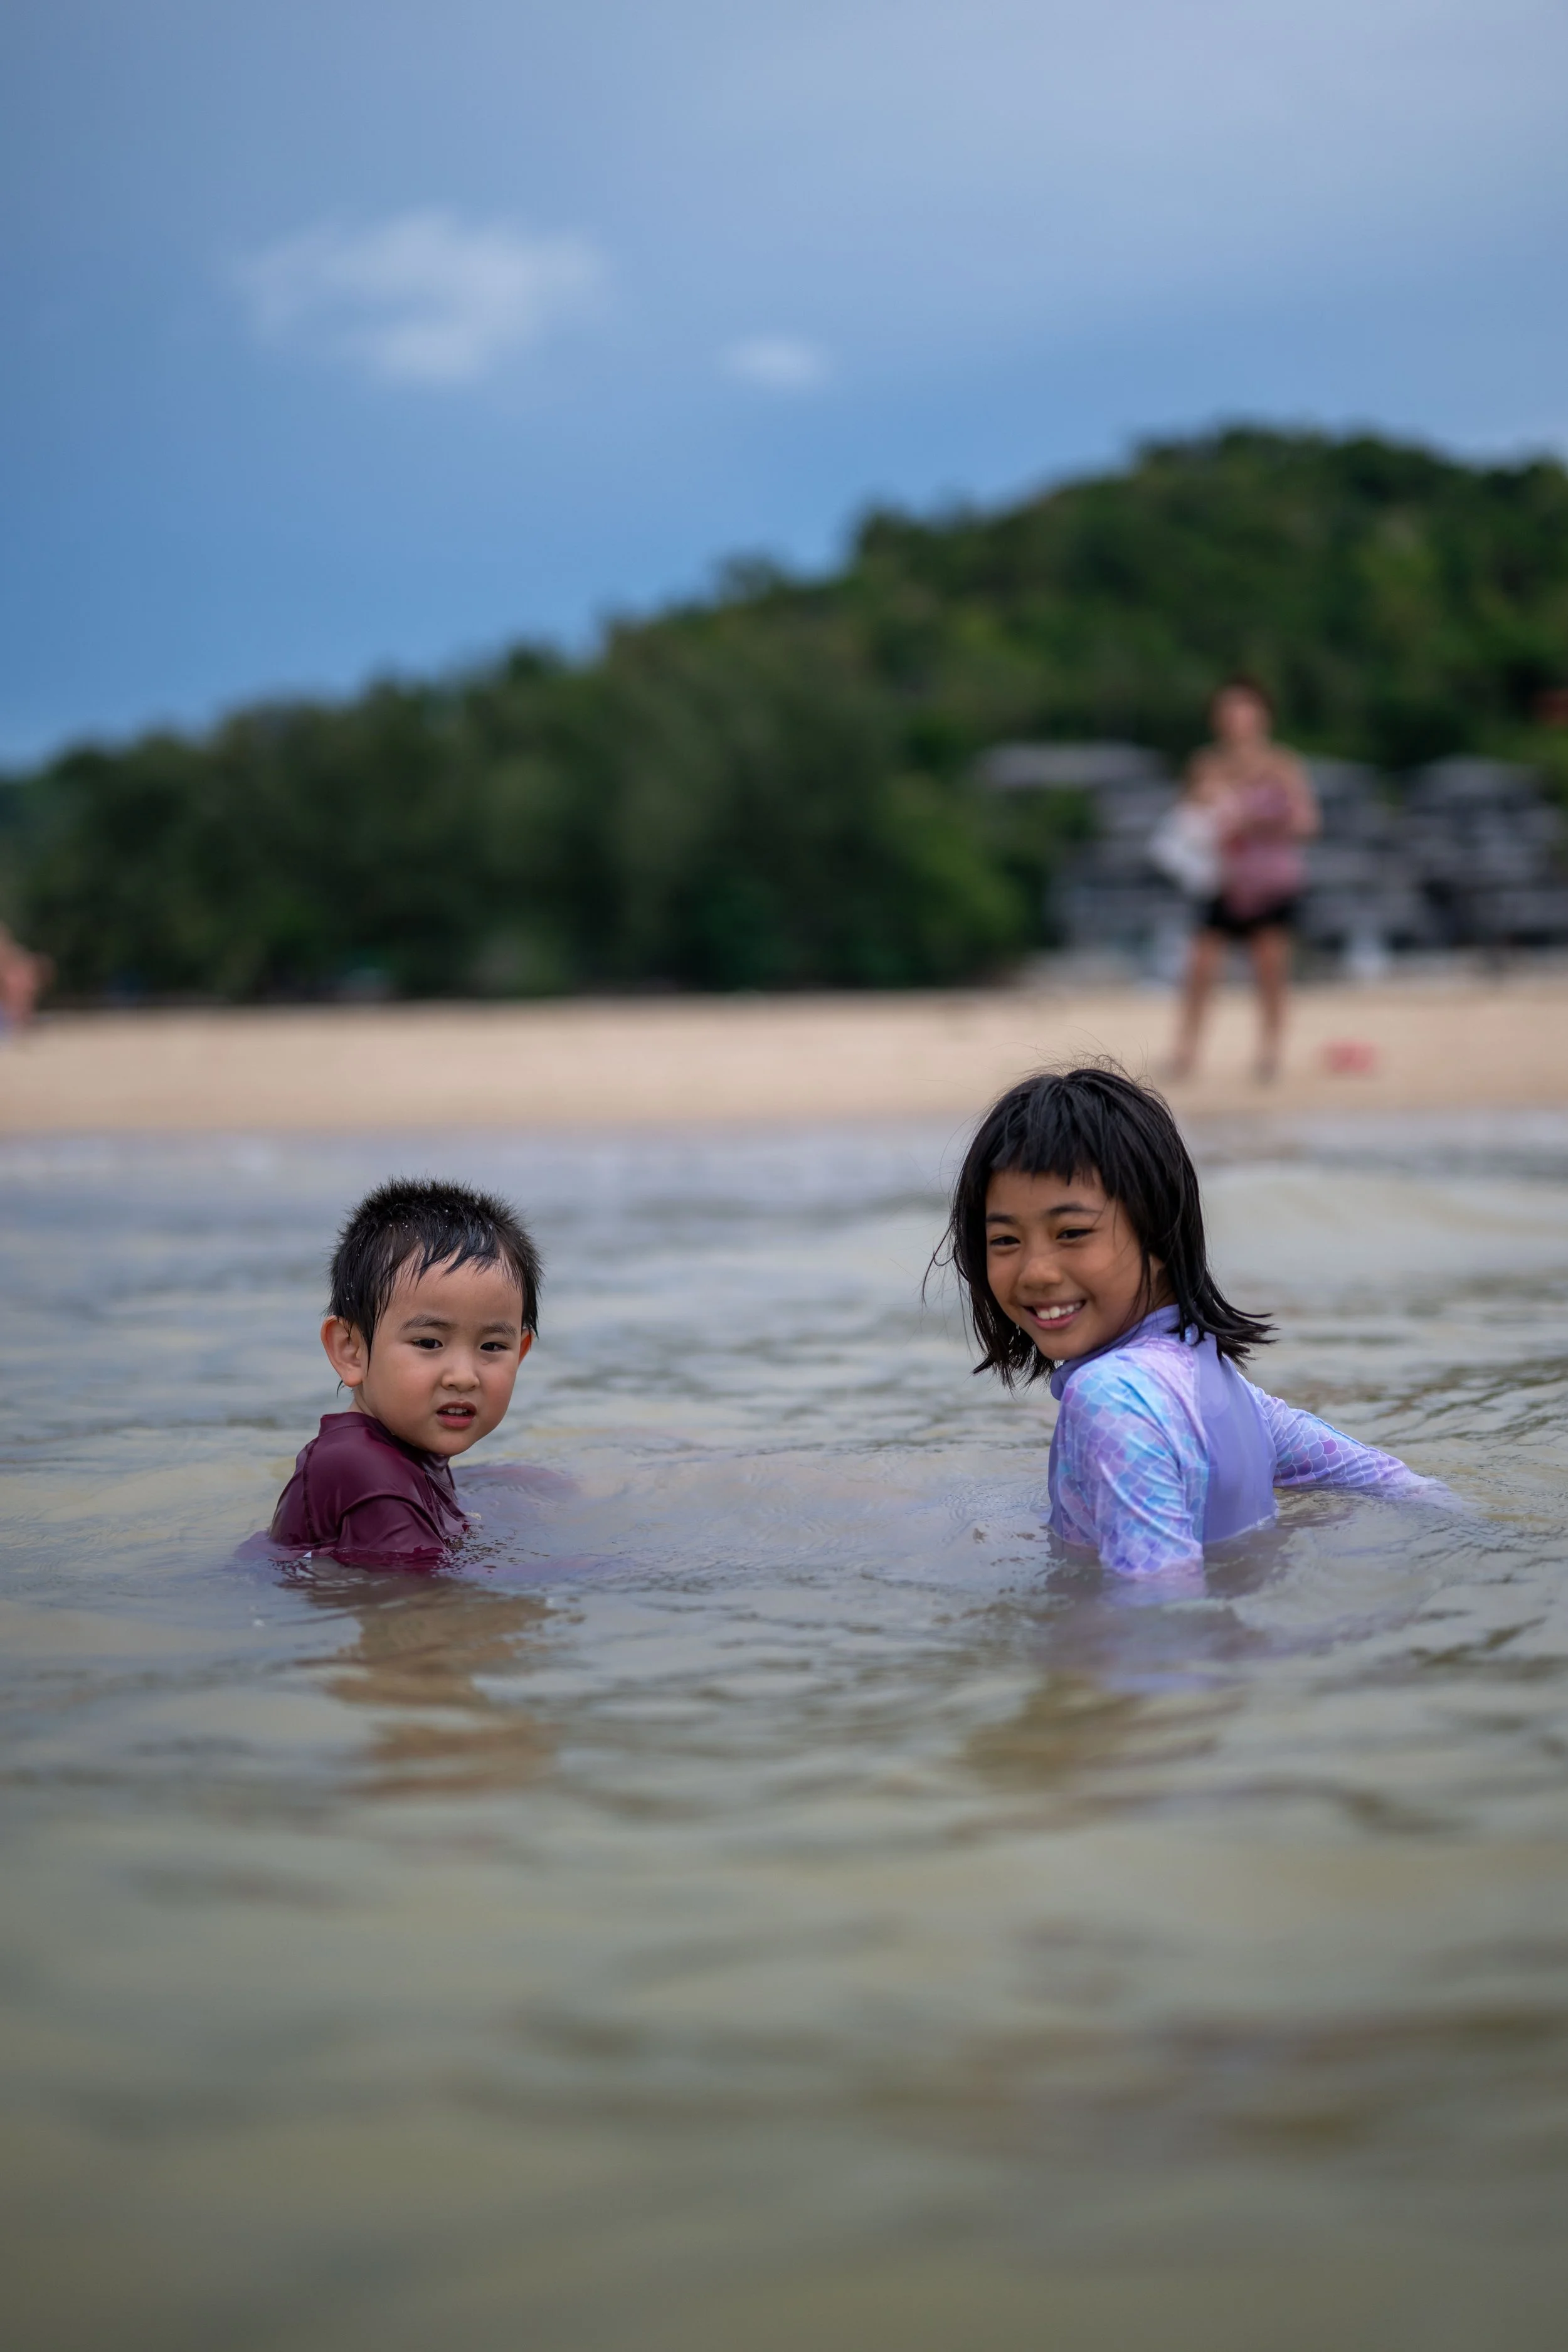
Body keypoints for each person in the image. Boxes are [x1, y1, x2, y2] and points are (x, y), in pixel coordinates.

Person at [939, 1066, 1456, 1579]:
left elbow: (1158, 1598)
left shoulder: (1110, 1396)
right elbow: (1398, 1485)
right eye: (1005, 1240)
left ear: (1158, 1233)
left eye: (1071, 1233)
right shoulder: (1224, 1387)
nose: (1036, 1272)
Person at [269, 1179, 542, 1570]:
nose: (464, 1377)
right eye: (429, 1343)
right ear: (351, 1350)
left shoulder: (405, 1452)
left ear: (521, 1353)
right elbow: (417, 1600)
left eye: (493, 1347)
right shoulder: (363, 1469)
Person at [1170, 677, 1318, 1083]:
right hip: (1220, 879)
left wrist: (1255, 821)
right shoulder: (1206, 765)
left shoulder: (1282, 765)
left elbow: (1307, 822)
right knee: (1200, 967)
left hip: (1269, 880)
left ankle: (1270, 1051)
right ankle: (1187, 1050)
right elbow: (1185, 819)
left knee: (1270, 969)